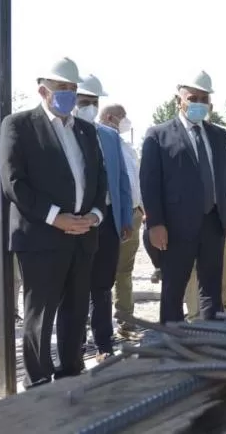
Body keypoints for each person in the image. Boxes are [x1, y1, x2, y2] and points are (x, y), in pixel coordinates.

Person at [0, 57, 107, 388]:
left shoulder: (86, 131)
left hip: (82, 234)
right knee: (40, 315)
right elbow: (13, 182)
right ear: (43, 90)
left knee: (76, 312)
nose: (70, 95)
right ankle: (39, 381)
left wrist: (95, 215)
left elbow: (99, 179)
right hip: (41, 238)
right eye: (63, 89)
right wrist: (55, 218)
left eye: (73, 89)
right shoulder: (19, 125)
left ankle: (72, 371)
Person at [140, 71, 226, 324]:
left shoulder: (218, 135)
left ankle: (210, 339)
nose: (198, 103)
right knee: (174, 289)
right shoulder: (158, 135)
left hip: (213, 222)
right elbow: (149, 184)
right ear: (179, 100)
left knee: (212, 288)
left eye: (203, 98)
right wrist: (155, 223)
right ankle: (172, 343)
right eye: (192, 97)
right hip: (176, 227)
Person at [74, 75, 132, 362]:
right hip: (76, 222)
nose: (88, 107)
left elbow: (121, 179)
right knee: (76, 286)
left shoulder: (109, 136)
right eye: (84, 102)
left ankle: (103, 343)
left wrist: (124, 220)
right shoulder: (65, 134)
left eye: (92, 102)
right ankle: (75, 343)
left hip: (106, 221)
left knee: (103, 286)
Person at [100, 104, 145, 337]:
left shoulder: (127, 147)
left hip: (133, 213)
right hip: (110, 215)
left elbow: (135, 181)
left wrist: (142, 209)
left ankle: (125, 319)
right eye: (122, 117)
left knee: (125, 270)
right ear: (110, 118)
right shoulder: (98, 143)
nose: (126, 122)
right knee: (104, 273)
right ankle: (100, 325)